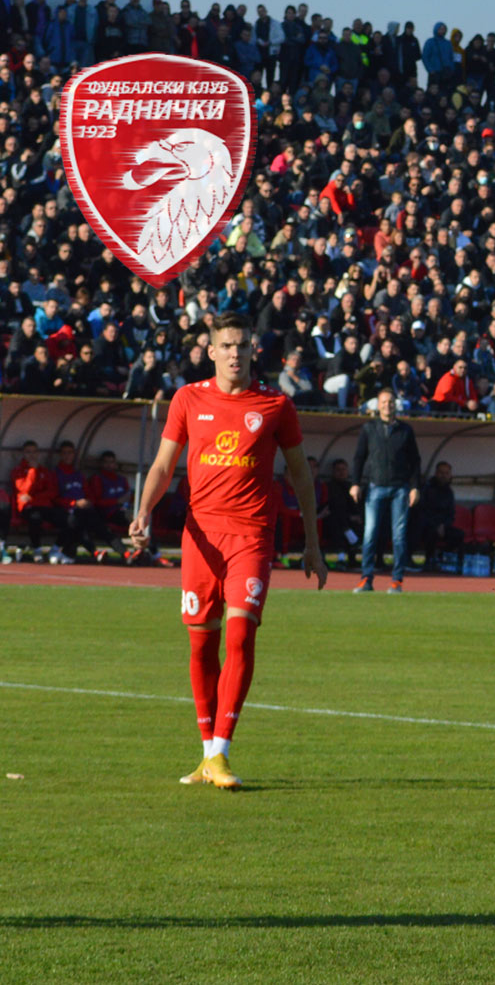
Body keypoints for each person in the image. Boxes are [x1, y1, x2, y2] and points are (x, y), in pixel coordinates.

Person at [128, 313, 327, 790]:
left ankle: (221, 752)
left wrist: (313, 545)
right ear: (211, 351)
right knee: (201, 642)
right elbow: (161, 465)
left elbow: (300, 475)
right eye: (227, 345)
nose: (235, 352)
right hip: (200, 539)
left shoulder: (277, 405)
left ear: (253, 349)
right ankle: (205, 755)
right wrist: (143, 513)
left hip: (252, 538)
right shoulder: (188, 399)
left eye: (242, 344)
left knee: (239, 636)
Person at [351, 388, 421, 594]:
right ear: (377, 405)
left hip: (400, 488)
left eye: (390, 402)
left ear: (395, 405)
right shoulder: (368, 428)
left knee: (399, 536)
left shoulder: (406, 430)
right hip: (375, 487)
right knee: (369, 534)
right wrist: (355, 483)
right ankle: (366, 579)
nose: (387, 405)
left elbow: (415, 461)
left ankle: (397, 580)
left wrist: (415, 486)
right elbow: (358, 457)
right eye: (383, 402)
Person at [9, 440, 67, 562]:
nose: (32, 455)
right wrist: (32, 471)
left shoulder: (44, 471)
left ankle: (55, 550)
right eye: (28, 452)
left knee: (69, 519)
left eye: (34, 452)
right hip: (27, 507)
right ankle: (37, 550)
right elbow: (24, 489)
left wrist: (35, 498)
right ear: (23, 454)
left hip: (43, 505)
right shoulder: (18, 471)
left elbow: (52, 491)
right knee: (35, 518)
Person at [415, 460, 464, 564]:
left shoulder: (449, 492)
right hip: (427, 525)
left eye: (446, 473)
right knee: (430, 532)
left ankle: (443, 555)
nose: (444, 476)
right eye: (441, 473)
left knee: (459, 535)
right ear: (436, 473)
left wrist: (443, 525)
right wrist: (436, 524)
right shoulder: (427, 488)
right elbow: (423, 510)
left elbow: (451, 513)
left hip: (443, 525)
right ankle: (429, 560)